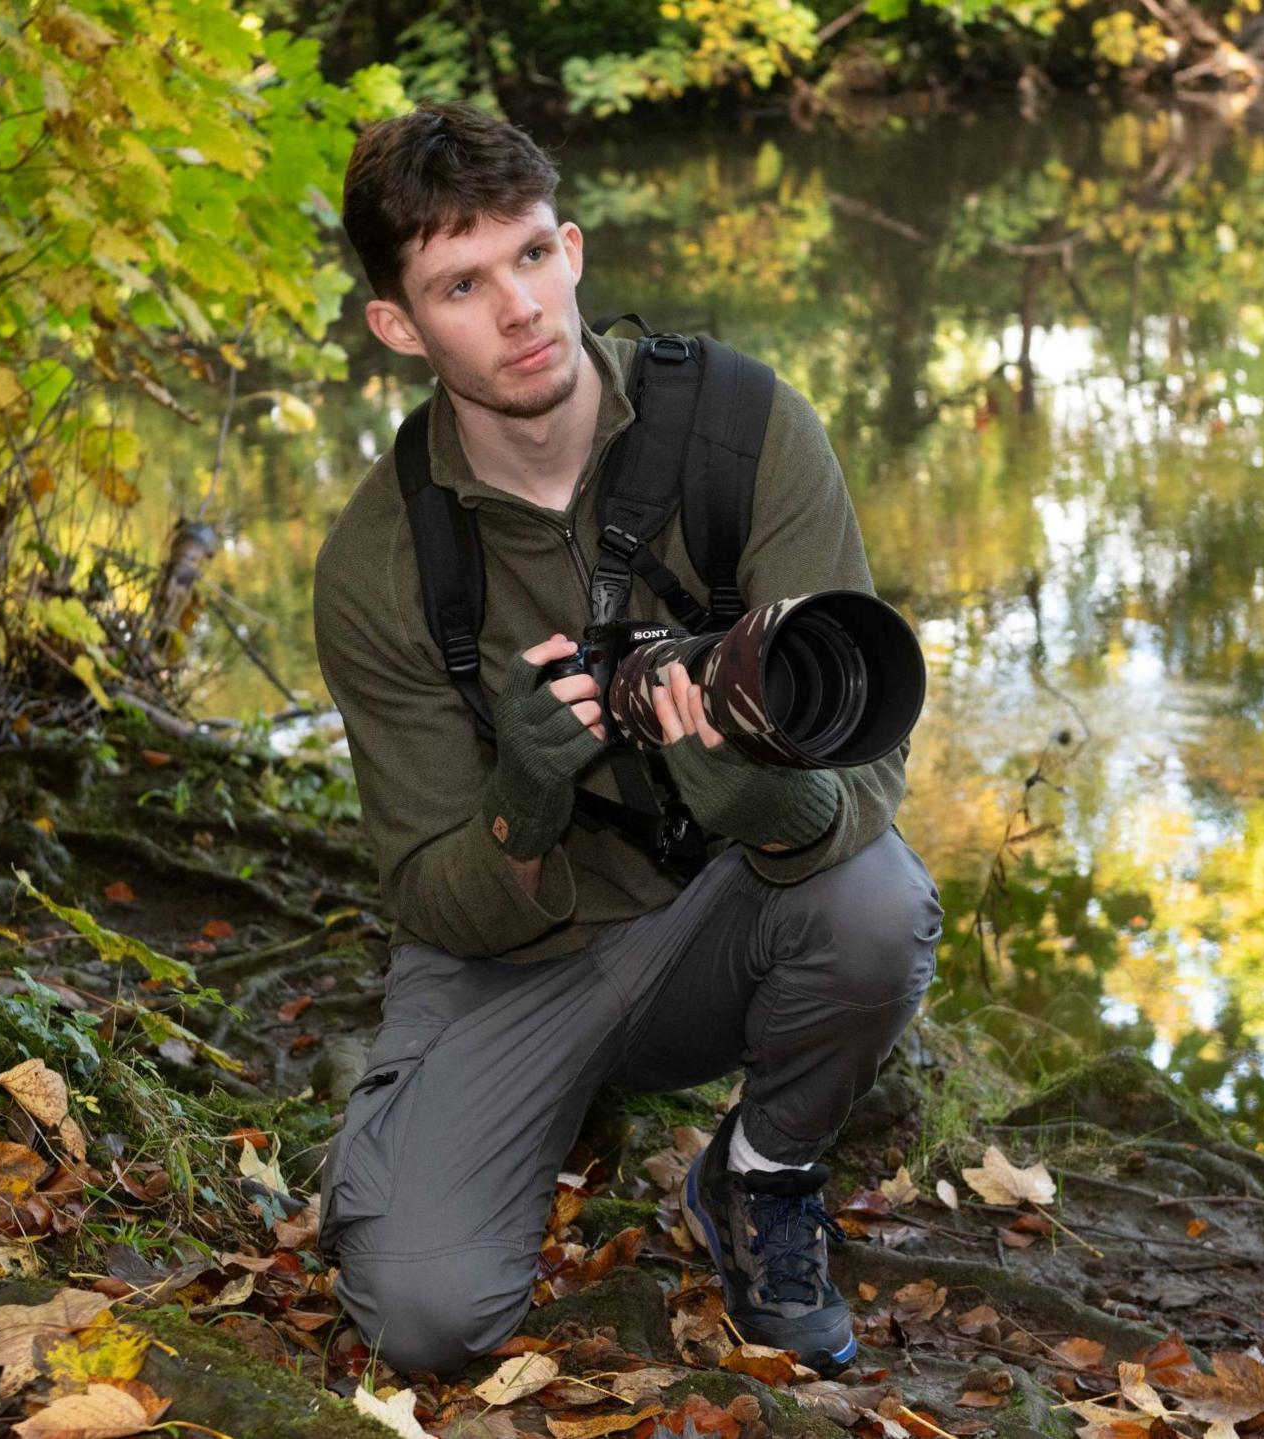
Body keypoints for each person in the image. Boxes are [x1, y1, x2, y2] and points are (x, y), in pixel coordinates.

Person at [309, 101, 943, 1377]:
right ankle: (452, 1113)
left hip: (720, 916)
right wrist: (520, 800)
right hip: (515, 962)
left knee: (879, 904)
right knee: (428, 1318)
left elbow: (869, 773)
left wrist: (751, 787)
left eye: (533, 255)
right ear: (398, 325)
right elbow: (431, 886)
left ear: (576, 248)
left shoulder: (746, 432)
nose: (519, 308)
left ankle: (760, 1178)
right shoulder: (379, 563)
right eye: (461, 284)